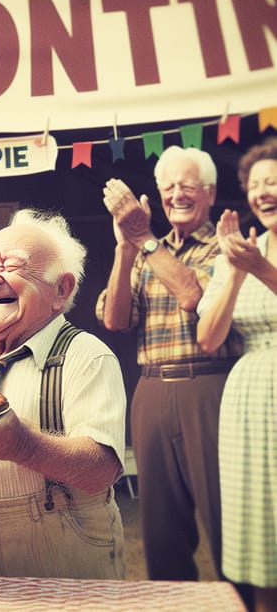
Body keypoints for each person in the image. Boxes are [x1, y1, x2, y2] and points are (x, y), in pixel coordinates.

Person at [0, 208, 126, 579]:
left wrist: (23, 446)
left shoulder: (86, 357)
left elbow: (102, 469)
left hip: (61, 568)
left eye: (11, 267)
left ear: (61, 289)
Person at [96, 145, 241, 582]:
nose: (177, 195)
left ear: (210, 194)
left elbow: (195, 296)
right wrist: (125, 249)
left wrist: (144, 240)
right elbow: (115, 319)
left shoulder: (227, 247)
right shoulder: (144, 251)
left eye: (187, 186)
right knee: (161, 533)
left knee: (229, 523)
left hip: (210, 388)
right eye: (168, 187)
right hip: (153, 389)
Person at [197, 137, 277, 612]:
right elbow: (209, 338)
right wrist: (239, 273)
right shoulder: (242, 251)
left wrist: (263, 269)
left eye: (273, 181)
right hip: (250, 394)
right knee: (261, 527)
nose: (263, 192)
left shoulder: (256, 256)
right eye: (255, 184)